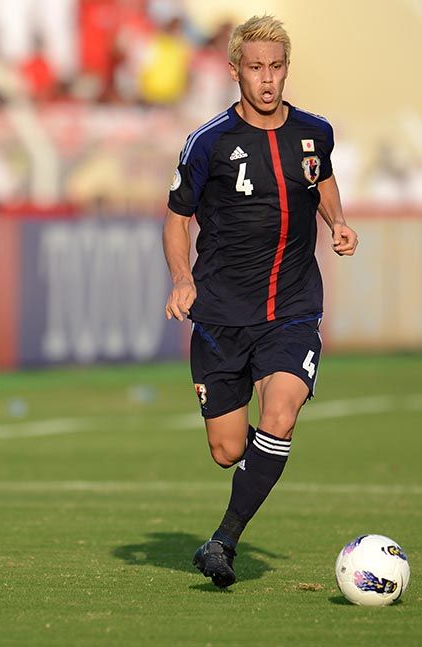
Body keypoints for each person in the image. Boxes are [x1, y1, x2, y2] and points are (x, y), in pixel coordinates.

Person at [162, 15, 357, 589]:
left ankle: (222, 542)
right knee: (227, 450)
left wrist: (338, 221)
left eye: (275, 68)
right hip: (222, 314)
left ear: (285, 70)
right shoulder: (208, 142)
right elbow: (176, 220)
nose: (266, 80)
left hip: (293, 308)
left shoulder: (315, 132)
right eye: (255, 68)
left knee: (280, 412)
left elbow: (321, 180)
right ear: (235, 71)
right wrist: (181, 279)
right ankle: (255, 464)